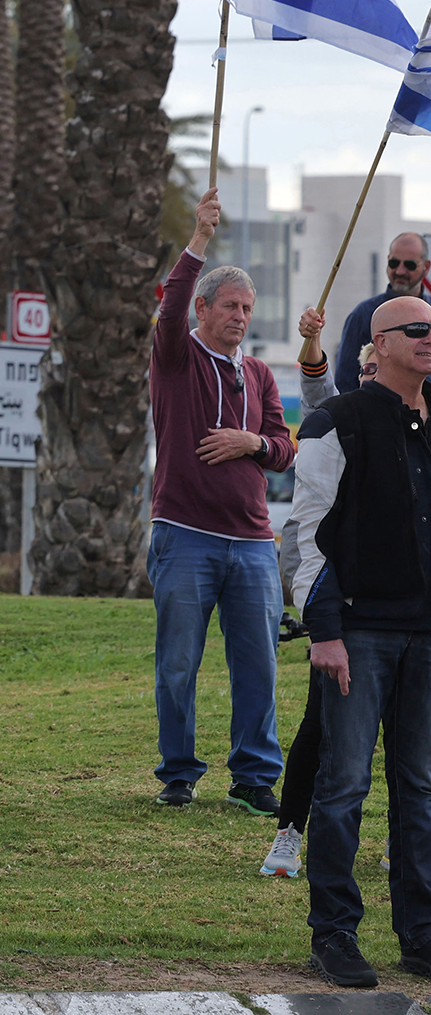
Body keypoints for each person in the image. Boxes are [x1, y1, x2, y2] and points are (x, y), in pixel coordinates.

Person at [290, 295, 431, 987]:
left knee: (423, 788)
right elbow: (307, 534)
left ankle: (422, 933)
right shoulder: (335, 419)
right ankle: (334, 933)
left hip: (426, 636)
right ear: (379, 344)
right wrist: (324, 629)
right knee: (343, 785)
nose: (430, 338)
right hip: (360, 631)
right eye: (418, 329)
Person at [147, 188, 293, 813]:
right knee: (178, 665)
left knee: (258, 666)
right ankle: (178, 772)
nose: (239, 316)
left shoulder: (258, 374)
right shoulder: (175, 356)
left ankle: (255, 778)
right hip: (185, 534)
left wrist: (251, 441)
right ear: (203, 310)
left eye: (247, 307)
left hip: (255, 542)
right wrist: (199, 237)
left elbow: (285, 448)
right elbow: (170, 299)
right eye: (229, 305)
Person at [261, 319, 376, 882]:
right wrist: (309, 339)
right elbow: (315, 386)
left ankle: (407, 844)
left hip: (409, 613)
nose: (375, 380)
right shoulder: (342, 418)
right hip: (343, 609)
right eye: (368, 370)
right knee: (321, 727)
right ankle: (290, 832)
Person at [331, 231, 429, 395]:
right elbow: (345, 382)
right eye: (394, 263)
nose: (400, 271)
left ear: (426, 267)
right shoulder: (363, 315)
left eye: (410, 265)